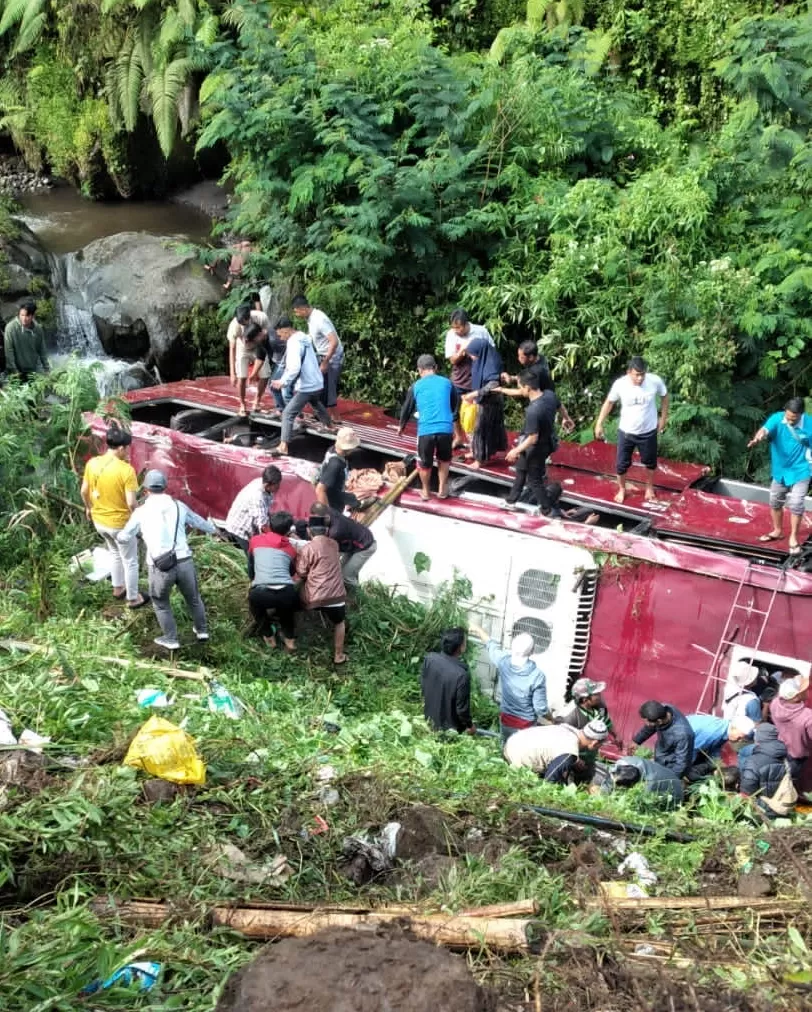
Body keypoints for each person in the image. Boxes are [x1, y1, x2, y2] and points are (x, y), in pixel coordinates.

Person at [117, 469, 215, 650]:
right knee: (193, 598)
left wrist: (121, 538)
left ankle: (171, 639)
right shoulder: (179, 506)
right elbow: (199, 522)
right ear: (165, 487)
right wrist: (215, 531)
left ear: (145, 490)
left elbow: (125, 536)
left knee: (161, 603)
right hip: (184, 561)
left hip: (160, 566)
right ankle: (202, 631)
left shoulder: (141, 511)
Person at [80, 421, 148, 609]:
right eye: (127, 449)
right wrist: (139, 519)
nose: (128, 452)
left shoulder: (92, 463)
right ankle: (133, 598)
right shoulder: (126, 471)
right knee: (131, 561)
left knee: (115, 554)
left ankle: (118, 588)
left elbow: (84, 491)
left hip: (99, 522)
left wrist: (88, 508)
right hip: (120, 524)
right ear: (120, 448)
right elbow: (131, 503)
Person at [593, 356, 669, 504]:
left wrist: (663, 418)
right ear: (629, 372)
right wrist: (599, 423)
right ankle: (622, 489)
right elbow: (609, 402)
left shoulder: (654, 381)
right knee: (621, 465)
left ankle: (649, 487)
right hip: (626, 431)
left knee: (650, 462)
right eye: (637, 375)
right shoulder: (620, 384)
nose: (640, 378)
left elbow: (665, 396)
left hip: (648, 431)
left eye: (642, 375)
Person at [747, 397, 812, 556]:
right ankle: (777, 530)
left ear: (801, 414)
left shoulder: (809, 424)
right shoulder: (777, 418)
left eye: (793, 418)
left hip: (801, 470)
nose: (789, 420)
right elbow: (765, 429)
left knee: (796, 503)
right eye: (788, 416)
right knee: (775, 501)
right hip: (781, 470)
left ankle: (794, 538)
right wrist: (759, 436)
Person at [468, 624, 547, 743]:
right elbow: (540, 709)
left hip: (506, 720)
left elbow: (491, 645)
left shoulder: (503, 662)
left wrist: (478, 629)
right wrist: (552, 719)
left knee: (505, 748)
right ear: (532, 651)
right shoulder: (537, 676)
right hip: (526, 726)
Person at [397, 354, 457, 501]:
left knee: (424, 463)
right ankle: (442, 490)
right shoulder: (448, 383)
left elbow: (407, 408)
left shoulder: (415, 386)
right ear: (435, 368)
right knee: (444, 460)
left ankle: (425, 492)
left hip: (426, 431)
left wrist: (401, 426)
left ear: (419, 370)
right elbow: (455, 403)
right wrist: (451, 419)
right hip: (445, 429)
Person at [271, 317, 333, 456]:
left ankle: (283, 446)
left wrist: (283, 382)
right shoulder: (304, 337)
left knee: (287, 414)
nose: (280, 338)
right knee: (315, 402)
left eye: (280, 334)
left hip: (307, 385)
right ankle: (329, 426)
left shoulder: (294, 343)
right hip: (317, 382)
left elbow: (294, 367)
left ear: (286, 330)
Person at [295, 507, 347, 664]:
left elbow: (301, 572)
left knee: (298, 602)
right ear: (325, 531)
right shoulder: (334, 544)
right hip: (337, 596)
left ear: (310, 532)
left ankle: (302, 645)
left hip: (315, 598)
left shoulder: (307, 548)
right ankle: (338, 655)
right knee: (340, 622)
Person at [503, 370, 557, 513]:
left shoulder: (533, 410)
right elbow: (559, 405)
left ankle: (547, 510)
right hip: (547, 442)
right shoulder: (549, 395)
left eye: (520, 387)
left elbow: (533, 437)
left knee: (534, 480)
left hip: (536, 448)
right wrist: (567, 418)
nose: (520, 391)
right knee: (521, 470)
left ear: (527, 387)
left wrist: (516, 450)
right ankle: (511, 500)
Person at [247, 510, 299, 651]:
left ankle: (269, 636)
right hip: (286, 593)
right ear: (288, 531)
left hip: (260, 593)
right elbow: (292, 572)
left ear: (269, 525)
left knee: (256, 607)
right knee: (287, 614)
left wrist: (253, 579)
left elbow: (251, 566)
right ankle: (290, 640)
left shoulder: (255, 541)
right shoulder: (290, 549)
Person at [444, 308, 493, 450]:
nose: (456, 331)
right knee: (455, 411)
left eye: (458, 327)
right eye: (454, 328)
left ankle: (477, 444)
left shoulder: (481, 331)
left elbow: (491, 351)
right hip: (459, 378)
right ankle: (458, 437)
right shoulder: (451, 335)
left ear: (466, 324)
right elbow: (452, 360)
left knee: (477, 412)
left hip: (477, 380)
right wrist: (463, 350)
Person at [500, 340, 575, 433]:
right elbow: (528, 379)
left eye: (521, 357)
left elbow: (522, 392)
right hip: (550, 400)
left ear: (531, 357)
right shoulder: (540, 359)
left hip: (541, 410)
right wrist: (565, 417)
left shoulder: (535, 371)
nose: (518, 358)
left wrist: (501, 390)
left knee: (533, 438)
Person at [504, 719, 608, 783]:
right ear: (594, 743)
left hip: (511, 742)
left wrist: (574, 760)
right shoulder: (569, 751)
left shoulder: (568, 729)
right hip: (517, 756)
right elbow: (550, 778)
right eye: (600, 744)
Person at [292, 295, 344, 423]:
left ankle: (336, 418)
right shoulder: (311, 318)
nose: (297, 315)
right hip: (322, 355)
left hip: (332, 357)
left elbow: (334, 341)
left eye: (296, 312)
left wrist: (326, 362)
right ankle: (321, 413)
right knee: (319, 385)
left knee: (329, 387)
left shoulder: (319, 319)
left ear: (302, 308)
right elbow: (314, 337)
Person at [558, 677, 620, 783]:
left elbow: (606, 721)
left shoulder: (600, 706)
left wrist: (616, 736)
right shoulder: (569, 717)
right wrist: (576, 760)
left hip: (590, 755)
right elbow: (562, 744)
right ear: (585, 699)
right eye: (596, 694)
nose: (600, 696)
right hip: (574, 758)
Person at [421, 627, 475, 734]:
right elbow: (462, 711)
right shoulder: (462, 675)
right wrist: (470, 725)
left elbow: (423, 685)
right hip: (449, 731)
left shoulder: (430, 659)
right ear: (461, 647)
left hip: (428, 720)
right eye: (465, 641)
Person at [462, 337, 506, 468]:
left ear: (479, 351)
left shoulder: (491, 363)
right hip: (483, 400)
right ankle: (476, 452)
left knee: (480, 430)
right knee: (482, 429)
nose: (471, 357)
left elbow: (492, 385)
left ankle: (480, 460)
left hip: (490, 403)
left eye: (472, 354)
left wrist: (474, 394)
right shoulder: (482, 359)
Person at [313, 503, 377, 588]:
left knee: (346, 576)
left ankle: (356, 597)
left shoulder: (336, 531)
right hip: (354, 542)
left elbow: (331, 552)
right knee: (340, 572)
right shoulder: (329, 511)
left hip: (365, 546)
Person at [740, 723, 795, 816]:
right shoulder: (786, 756)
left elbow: (747, 792)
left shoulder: (754, 761)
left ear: (758, 738)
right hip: (782, 806)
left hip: (762, 811)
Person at [227, 302, 272, 416]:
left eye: (243, 322)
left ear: (249, 317)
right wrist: (232, 373)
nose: (241, 324)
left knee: (265, 374)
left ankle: (257, 401)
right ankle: (242, 404)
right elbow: (232, 348)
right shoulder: (234, 326)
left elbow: (267, 333)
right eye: (239, 322)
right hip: (243, 348)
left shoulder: (261, 317)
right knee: (241, 377)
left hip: (258, 346)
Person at [224, 466, 282, 551]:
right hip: (240, 531)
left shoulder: (262, 483)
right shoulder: (257, 496)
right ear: (267, 485)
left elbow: (266, 512)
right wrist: (276, 541)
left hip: (249, 526)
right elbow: (262, 526)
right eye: (276, 485)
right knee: (253, 559)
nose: (279, 487)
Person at [684, 713, 755, 783]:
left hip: (693, 742)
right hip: (683, 739)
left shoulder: (726, 729)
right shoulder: (713, 733)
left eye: (742, 738)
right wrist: (685, 770)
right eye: (739, 737)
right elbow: (691, 749)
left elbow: (716, 747)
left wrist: (717, 764)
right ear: (733, 728)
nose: (739, 740)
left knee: (710, 763)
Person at [632, 701, 694, 778]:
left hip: (671, 764)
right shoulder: (663, 709)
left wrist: (670, 779)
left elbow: (682, 764)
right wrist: (637, 741)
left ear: (659, 721)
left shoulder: (682, 735)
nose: (646, 724)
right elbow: (650, 727)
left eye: (647, 722)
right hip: (662, 753)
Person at [769, 675, 812, 784]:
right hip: (797, 755)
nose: (807, 689)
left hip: (780, 747)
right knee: (788, 781)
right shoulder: (807, 717)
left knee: (777, 777)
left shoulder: (775, 704)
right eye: (804, 689)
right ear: (796, 696)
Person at [602, 756, 684, 806]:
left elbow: (639, 804)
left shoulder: (650, 786)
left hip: (675, 792)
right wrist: (603, 794)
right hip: (662, 773)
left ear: (632, 785)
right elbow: (612, 776)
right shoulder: (624, 762)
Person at [244, 320, 287, 414]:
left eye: (254, 340)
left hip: (288, 362)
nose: (254, 343)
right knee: (277, 386)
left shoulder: (274, 339)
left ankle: (284, 411)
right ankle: (284, 410)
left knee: (276, 386)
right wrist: (253, 374)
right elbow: (260, 358)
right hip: (280, 362)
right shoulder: (261, 340)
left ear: (260, 334)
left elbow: (289, 354)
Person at [315, 428, 363, 511]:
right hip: (332, 499)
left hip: (336, 489)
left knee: (353, 500)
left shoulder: (332, 449)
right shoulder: (336, 464)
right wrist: (328, 513)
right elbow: (320, 489)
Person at [4, 299, 49, 380]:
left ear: (33, 316)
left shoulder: (38, 329)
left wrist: (47, 369)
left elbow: (42, 350)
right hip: (16, 371)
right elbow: (9, 351)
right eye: (22, 315)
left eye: (27, 316)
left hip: (33, 370)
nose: (24, 318)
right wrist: (14, 371)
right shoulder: (11, 328)